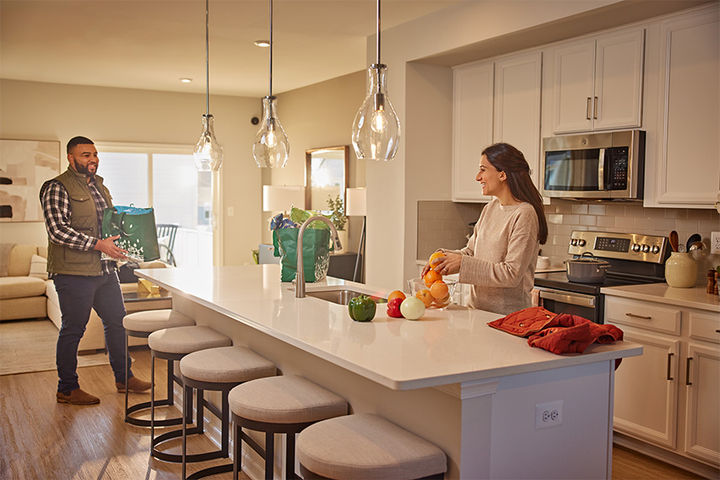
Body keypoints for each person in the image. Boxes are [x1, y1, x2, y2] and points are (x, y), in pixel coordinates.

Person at [40, 136, 151, 405]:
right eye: (86, 155)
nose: (93, 159)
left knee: (117, 323)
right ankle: (67, 388)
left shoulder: (99, 186)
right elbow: (57, 231)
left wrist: (127, 238)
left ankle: (124, 377)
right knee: (73, 329)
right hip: (73, 273)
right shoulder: (57, 187)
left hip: (105, 270)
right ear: (71, 158)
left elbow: (107, 224)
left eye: (95, 154)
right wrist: (98, 245)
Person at [422, 143, 548, 315]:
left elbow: (511, 274)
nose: (477, 177)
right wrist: (445, 258)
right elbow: (472, 252)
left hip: (508, 318)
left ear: (502, 174)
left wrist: (462, 264)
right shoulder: (490, 208)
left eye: (483, 170)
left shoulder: (524, 213)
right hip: (477, 314)